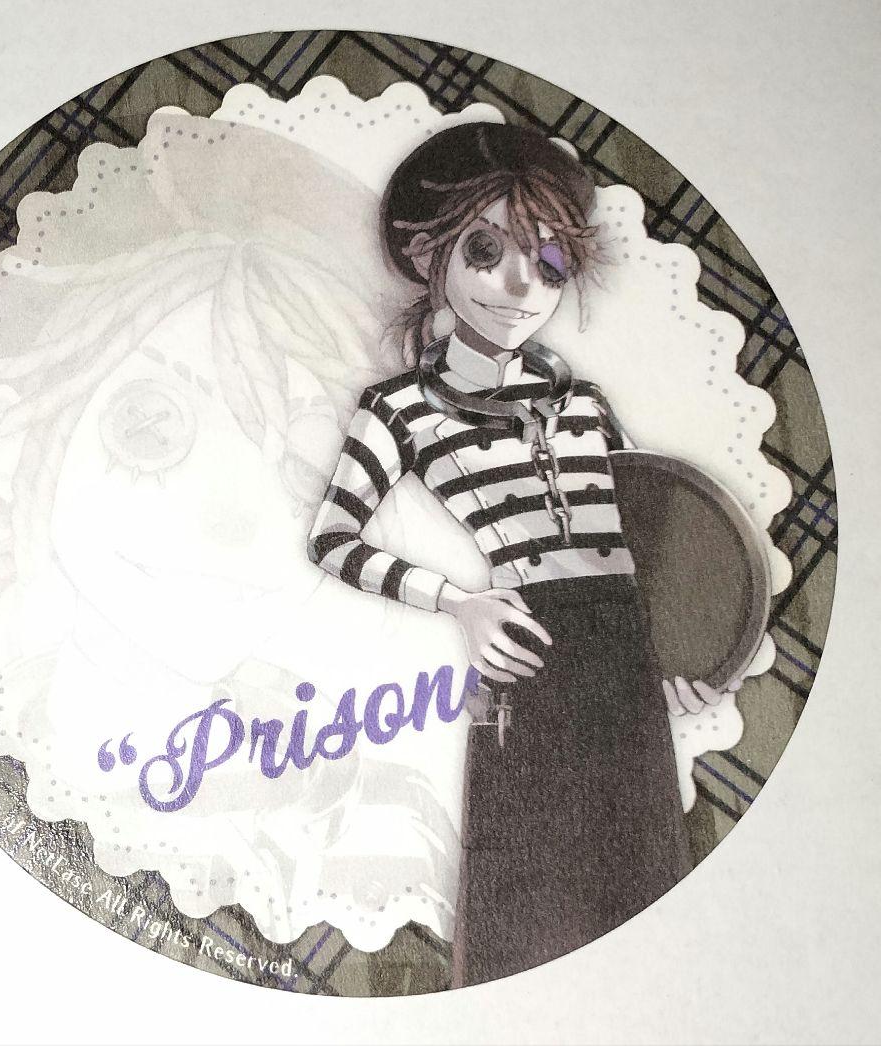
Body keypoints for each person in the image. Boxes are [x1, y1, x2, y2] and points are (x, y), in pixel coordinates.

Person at [306, 122, 730, 985]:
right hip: (527, 653)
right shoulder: (401, 408)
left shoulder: (585, 401)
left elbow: (654, 528)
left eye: (548, 259)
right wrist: (457, 602)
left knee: (642, 875)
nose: (519, 284)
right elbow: (331, 539)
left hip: (629, 650)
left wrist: (687, 654)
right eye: (486, 250)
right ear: (427, 255)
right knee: (527, 891)